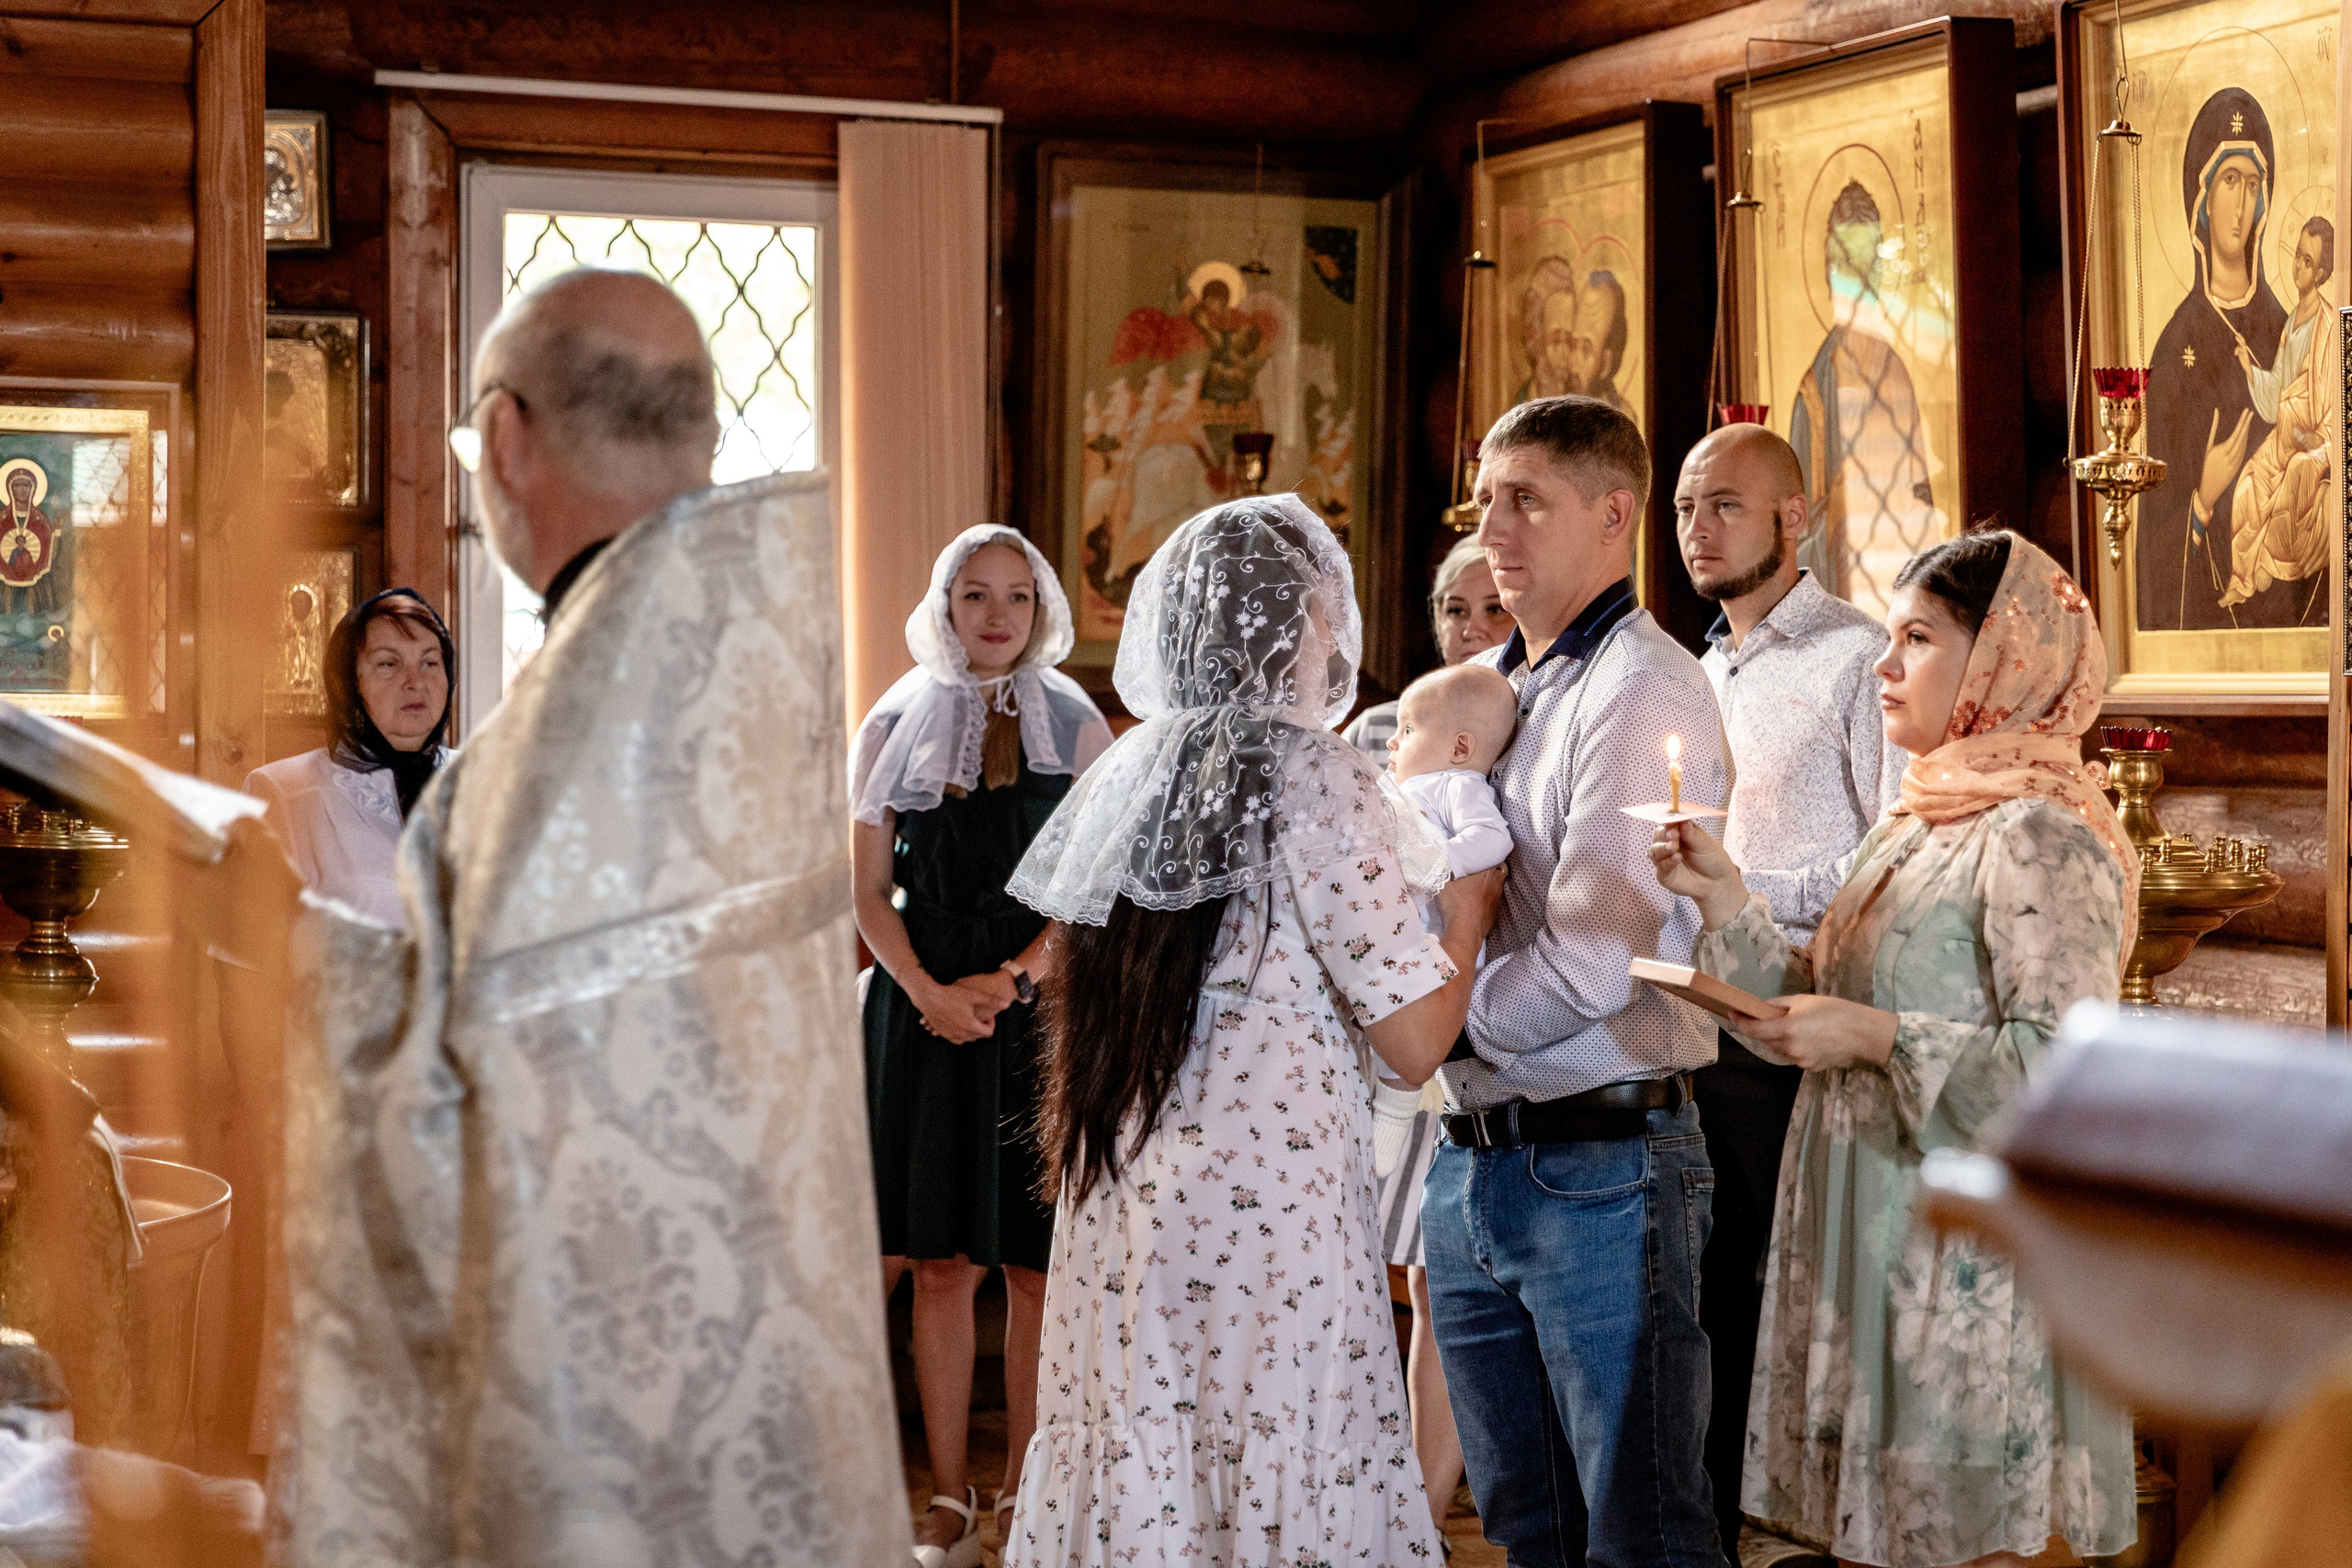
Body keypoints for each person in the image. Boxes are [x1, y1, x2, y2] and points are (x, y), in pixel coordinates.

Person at [226, 267, 908, 1564]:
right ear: (702, 436)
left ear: (508, 438)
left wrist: (281, 937)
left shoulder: (550, 747)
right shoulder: (769, 669)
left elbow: (445, 1088)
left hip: (611, 1417)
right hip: (780, 1350)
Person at [998, 495, 1506, 1566]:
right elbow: (1413, 1041)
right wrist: (1472, 899)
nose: (1332, 642)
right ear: (1289, 628)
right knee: (1277, 1465)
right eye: (1323, 617)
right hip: (1265, 1217)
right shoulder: (1316, 775)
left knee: (1149, 1461)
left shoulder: (1134, 773)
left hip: (1129, 1202)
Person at [1650, 529, 2140, 1566]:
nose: (1883, 663)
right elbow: (1812, 1004)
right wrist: (1725, 898)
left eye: (1915, 639)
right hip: (1858, 1227)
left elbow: (2061, 1078)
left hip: (1956, 1266)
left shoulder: (2040, 834)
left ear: (2002, 658)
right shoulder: (1915, 821)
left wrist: (1877, 1038)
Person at [1426, 392, 1732, 1565]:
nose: (1492, 527)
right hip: (1475, 1156)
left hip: (1604, 1164)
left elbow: (1600, 957)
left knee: (1638, 1533)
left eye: (1525, 501)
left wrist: (1436, 1025)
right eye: (1487, 499)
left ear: (1613, 514)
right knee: (1526, 1529)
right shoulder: (1501, 688)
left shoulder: (1642, 688)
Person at [851, 525, 1112, 1568]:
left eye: (1014, 595)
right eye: (973, 595)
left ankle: (1023, 1495)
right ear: (944, 606)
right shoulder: (892, 718)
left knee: (1039, 1268)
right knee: (941, 1263)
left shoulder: (1079, 723)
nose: (995, 614)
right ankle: (949, 1496)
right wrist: (924, 989)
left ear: (1041, 606)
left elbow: (1094, 885)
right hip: (921, 1008)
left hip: (1034, 1005)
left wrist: (1008, 983)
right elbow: (869, 892)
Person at [1672, 422, 1905, 1553]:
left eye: (1723, 505)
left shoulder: (1860, 658)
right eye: (1682, 509)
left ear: (1793, 518)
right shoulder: (1699, 666)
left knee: (1773, 1296)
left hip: (1799, 1024)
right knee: (1707, 1299)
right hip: (1696, 1019)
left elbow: (1889, 847)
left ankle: (1790, 1530)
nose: (1696, 530)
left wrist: (1737, 885)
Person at [2141, 87, 2298, 631]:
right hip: (2205, 625)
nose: (2241, 203)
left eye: (2253, 185)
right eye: (2229, 180)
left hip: (2291, 612)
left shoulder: (2291, 332)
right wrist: (2202, 500)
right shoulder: (2172, 348)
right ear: (2202, 199)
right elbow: (2152, 552)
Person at [1369, 662, 1518, 1179]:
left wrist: (1443, 865)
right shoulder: (1404, 791)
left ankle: (1393, 1115)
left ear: (1459, 747)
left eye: (1408, 730)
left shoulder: (1456, 785)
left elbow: (1494, 839)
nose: (1393, 742)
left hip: (1440, 930)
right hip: (1405, 928)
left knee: (1405, 1047)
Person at [242, 588, 454, 929]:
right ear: (349, 683)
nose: (416, 682)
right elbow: (247, 964)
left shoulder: (489, 782)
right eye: (388, 664)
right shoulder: (283, 791)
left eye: (430, 662)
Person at [1343, 533, 1513, 754]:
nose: (1470, 631)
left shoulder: (1545, 731)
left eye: (1495, 609)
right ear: (1437, 622)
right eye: (1456, 610)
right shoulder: (1374, 731)